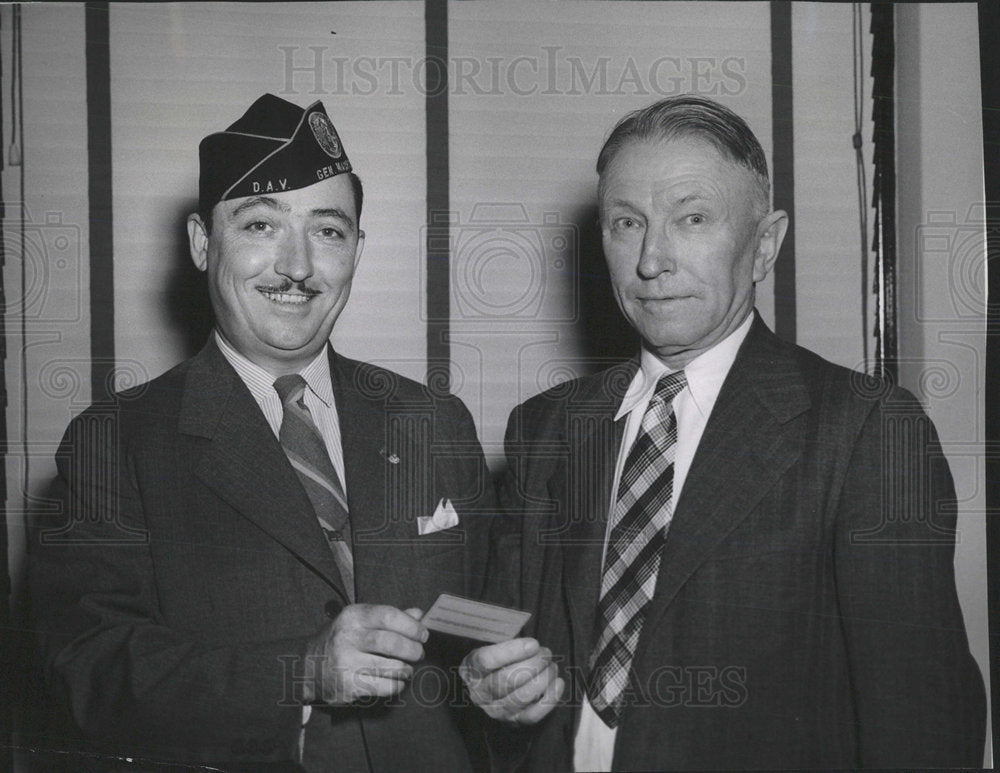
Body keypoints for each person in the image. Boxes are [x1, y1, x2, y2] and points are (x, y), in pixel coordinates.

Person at [465, 94, 986, 770]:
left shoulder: (865, 430)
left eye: (692, 219)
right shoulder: (548, 428)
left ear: (765, 244)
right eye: (627, 223)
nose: (652, 259)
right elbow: (504, 642)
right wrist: (489, 686)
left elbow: (921, 723)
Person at [30, 94, 500, 771]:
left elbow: (477, 612)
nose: (298, 266)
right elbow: (93, 673)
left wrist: (511, 671)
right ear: (200, 243)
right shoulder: (116, 442)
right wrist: (303, 672)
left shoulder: (433, 421)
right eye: (260, 225)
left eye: (329, 231)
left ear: (357, 251)